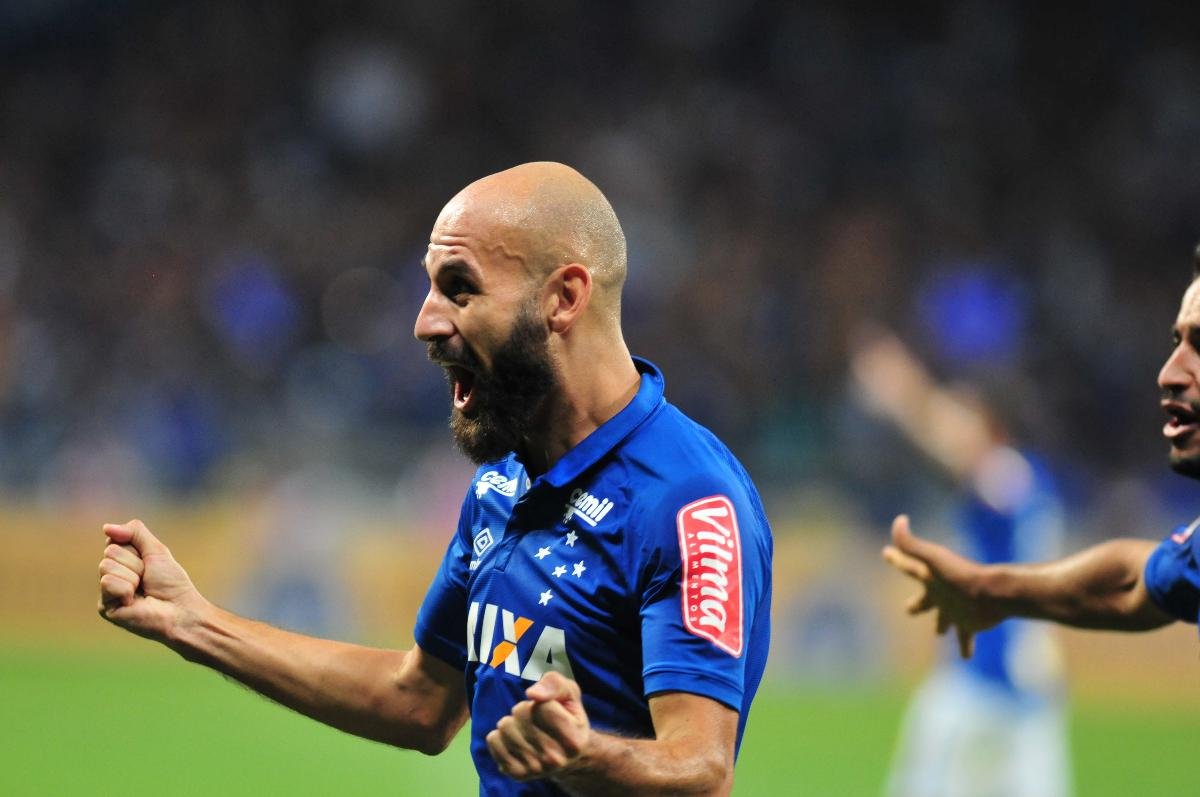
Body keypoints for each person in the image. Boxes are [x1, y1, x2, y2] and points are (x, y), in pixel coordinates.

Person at [97, 162, 773, 797]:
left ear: (564, 298)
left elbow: (701, 770)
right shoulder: (502, 486)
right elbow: (419, 698)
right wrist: (196, 623)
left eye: (460, 287)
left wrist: (584, 754)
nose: (424, 321)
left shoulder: (686, 501)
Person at [883, 246, 1200, 660]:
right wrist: (985, 589)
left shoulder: (1008, 474)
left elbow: (959, 451)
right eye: (1177, 341)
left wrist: (903, 392)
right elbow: (1136, 582)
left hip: (1011, 681)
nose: (1168, 373)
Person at [852, 330, 1071, 797]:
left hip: (988, 681)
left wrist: (905, 391)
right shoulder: (1025, 478)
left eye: (965, 411)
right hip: (1013, 684)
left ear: (991, 421)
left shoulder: (1011, 473)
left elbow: (968, 455)